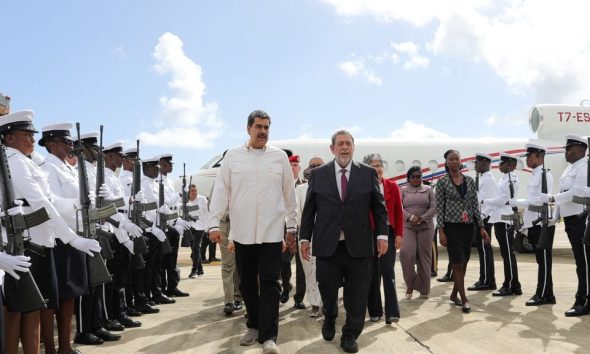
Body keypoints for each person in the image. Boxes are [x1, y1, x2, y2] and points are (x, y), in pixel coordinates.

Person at [209, 110, 297, 354]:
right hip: (243, 232)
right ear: (248, 128)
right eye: (259, 127)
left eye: (267, 127)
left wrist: (291, 227)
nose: (263, 131)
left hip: (271, 233)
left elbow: (290, 194)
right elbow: (220, 190)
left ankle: (269, 337)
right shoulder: (233, 157)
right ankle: (254, 326)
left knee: (271, 283)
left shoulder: (279, 157)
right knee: (247, 283)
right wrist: (214, 223)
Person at [300, 130, 388, 353]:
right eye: (340, 144)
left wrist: (382, 235)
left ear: (353, 147)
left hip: (359, 245)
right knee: (327, 289)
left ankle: (350, 334)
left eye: (348, 143)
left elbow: (378, 206)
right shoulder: (319, 174)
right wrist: (304, 238)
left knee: (356, 294)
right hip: (328, 245)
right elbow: (310, 209)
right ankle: (329, 315)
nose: (344, 147)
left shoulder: (367, 173)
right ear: (332, 148)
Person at [436, 149, 489, 314]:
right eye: (450, 159)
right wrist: (441, 231)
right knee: (457, 262)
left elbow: (474, 206)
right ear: (446, 163)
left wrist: (481, 227)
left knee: (464, 261)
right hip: (451, 227)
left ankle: (453, 294)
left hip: (468, 227)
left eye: (456, 159)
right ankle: (464, 299)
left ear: (460, 162)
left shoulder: (470, 181)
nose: (453, 162)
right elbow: (439, 208)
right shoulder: (442, 182)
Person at [543, 135, 589, 315]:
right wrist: (555, 216)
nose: (566, 152)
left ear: (580, 150)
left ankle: (584, 301)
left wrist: (553, 199)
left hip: (581, 219)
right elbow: (564, 194)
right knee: (580, 262)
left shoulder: (584, 167)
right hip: (571, 220)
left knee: (583, 263)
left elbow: (577, 192)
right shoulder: (569, 169)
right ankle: (581, 298)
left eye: (568, 149)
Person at [101, 142, 144, 332]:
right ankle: (110, 316)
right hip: (114, 232)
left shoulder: (115, 178)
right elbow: (111, 211)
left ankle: (120, 313)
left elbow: (122, 209)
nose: (121, 158)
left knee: (122, 278)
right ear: (108, 157)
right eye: (118, 155)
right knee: (113, 279)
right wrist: (124, 238)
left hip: (122, 229)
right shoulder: (104, 178)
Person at [510, 143, 556, 306]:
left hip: (542, 223)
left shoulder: (544, 175)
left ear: (539, 157)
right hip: (535, 223)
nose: (528, 159)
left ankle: (542, 294)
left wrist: (519, 202)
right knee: (541, 260)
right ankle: (548, 294)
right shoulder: (535, 175)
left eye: (530, 156)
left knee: (543, 260)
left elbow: (540, 200)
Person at [363, 153, 403, 325]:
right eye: (372, 165)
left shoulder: (392, 186)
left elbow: (399, 213)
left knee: (388, 271)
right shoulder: (362, 187)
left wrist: (399, 234)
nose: (377, 168)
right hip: (369, 233)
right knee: (372, 273)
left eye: (379, 165)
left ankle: (392, 312)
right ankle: (375, 310)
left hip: (388, 232)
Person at [481, 153, 522, 296]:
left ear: (510, 165)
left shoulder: (511, 179)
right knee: (506, 253)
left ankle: (510, 285)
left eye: (503, 162)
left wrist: (483, 202)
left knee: (507, 253)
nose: (500, 165)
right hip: (499, 218)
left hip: (504, 219)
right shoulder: (504, 179)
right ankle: (514, 285)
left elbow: (501, 200)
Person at [400, 166, 436, 300]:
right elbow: (399, 207)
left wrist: (422, 218)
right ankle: (411, 283)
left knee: (424, 258)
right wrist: (411, 217)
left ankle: (424, 288)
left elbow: (433, 207)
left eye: (419, 176)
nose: (416, 179)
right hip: (408, 226)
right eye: (413, 176)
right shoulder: (403, 190)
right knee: (406, 253)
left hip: (425, 226)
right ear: (408, 178)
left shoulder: (429, 190)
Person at [295, 157, 324, 317]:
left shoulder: (331, 186)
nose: (315, 168)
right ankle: (314, 303)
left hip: (327, 234)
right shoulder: (300, 189)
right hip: (307, 234)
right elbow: (298, 213)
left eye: (319, 166)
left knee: (326, 270)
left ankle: (326, 301)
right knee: (310, 271)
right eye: (312, 166)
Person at [158, 154, 191, 298]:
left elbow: (174, 205)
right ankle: (161, 288)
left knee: (172, 259)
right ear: (163, 164)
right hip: (164, 224)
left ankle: (172, 286)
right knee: (162, 260)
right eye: (169, 163)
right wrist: (179, 194)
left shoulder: (170, 181)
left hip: (173, 222)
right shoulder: (157, 181)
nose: (171, 166)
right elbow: (165, 202)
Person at [280, 154, 306, 309]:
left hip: (302, 229)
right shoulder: (281, 186)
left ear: (299, 168)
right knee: (284, 261)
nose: (293, 168)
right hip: (286, 229)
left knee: (301, 265)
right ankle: (286, 287)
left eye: (295, 166)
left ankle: (299, 297)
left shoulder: (305, 185)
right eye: (290, 166)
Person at [468, 153, 496, 291]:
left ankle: (486, 281)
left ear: (485, 163)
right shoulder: (482, 178)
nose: (475, 165)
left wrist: (481, 221)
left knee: (485, 250)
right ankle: (485, 279)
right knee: (482, 250)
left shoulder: (489, 179)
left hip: (483, 219)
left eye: (477, 162)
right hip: (480, 218)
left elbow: (487, 202)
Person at [187, 184, 210, 279]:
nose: (194, 192)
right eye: (192, 191)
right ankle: (200, 269)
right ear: (188, 192)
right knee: (194, 249)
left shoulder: (202, 199)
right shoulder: (185, 201)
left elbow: (207, 213)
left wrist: (208, 228)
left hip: (200, 226)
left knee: (196, 247)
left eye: (195, 190)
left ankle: (194, 270)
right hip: (190, 227)